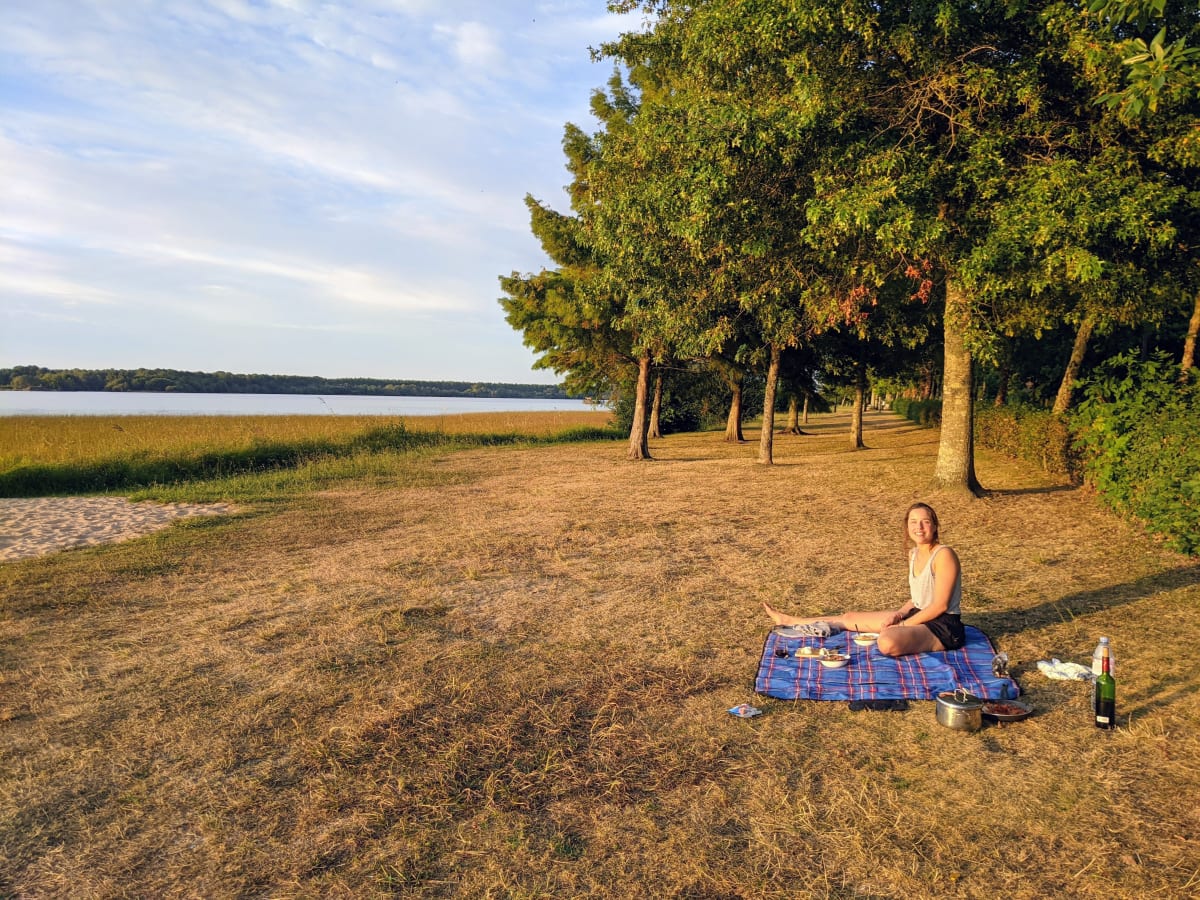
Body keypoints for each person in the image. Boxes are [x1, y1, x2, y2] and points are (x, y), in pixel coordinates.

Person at [762, 502, 966, 657]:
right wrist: (899, 615)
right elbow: (918, 599)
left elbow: (940, 605)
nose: (919, 527)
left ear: (935, 526)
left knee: (887, 642)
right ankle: (789, 621)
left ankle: (919, 639)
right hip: (919, 614)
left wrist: (903, 626)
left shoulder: (944, 555)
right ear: (907, 526)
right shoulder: (913, 554)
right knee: (850, 618)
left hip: (943, 625)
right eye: (913, 522)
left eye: (925, 521)